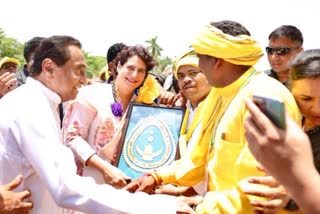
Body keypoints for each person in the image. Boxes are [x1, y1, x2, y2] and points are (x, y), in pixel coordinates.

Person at [0, 35, 194, 214]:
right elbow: (65, 187)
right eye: (78, 71)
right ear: (49, 68)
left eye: (141, 71)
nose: (84, 80)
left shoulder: (43, 103)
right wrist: (160, 206)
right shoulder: (31, 107)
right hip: (89, 188)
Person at [126, 20, 300, 213]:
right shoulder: (219, 94)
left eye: (200, 59)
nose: (199, 66)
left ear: (217, 61)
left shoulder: (269, 99)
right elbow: (198, 158)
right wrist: (157, 176)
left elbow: (262, 188)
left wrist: (203, 208)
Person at [62, 45, 160, 188]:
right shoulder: (92, 95)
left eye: (141, 71)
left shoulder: (142, 106)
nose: (134, 75)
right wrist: (105, 168)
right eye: (130, 68)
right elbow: (72, 138)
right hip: (90, 183)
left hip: (125, 187)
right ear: (118, 66)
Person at [245, 49, 320, 213]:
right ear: (290, 90)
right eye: (306, 99)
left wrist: (298, 192)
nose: (316, 109)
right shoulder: (284, 120)